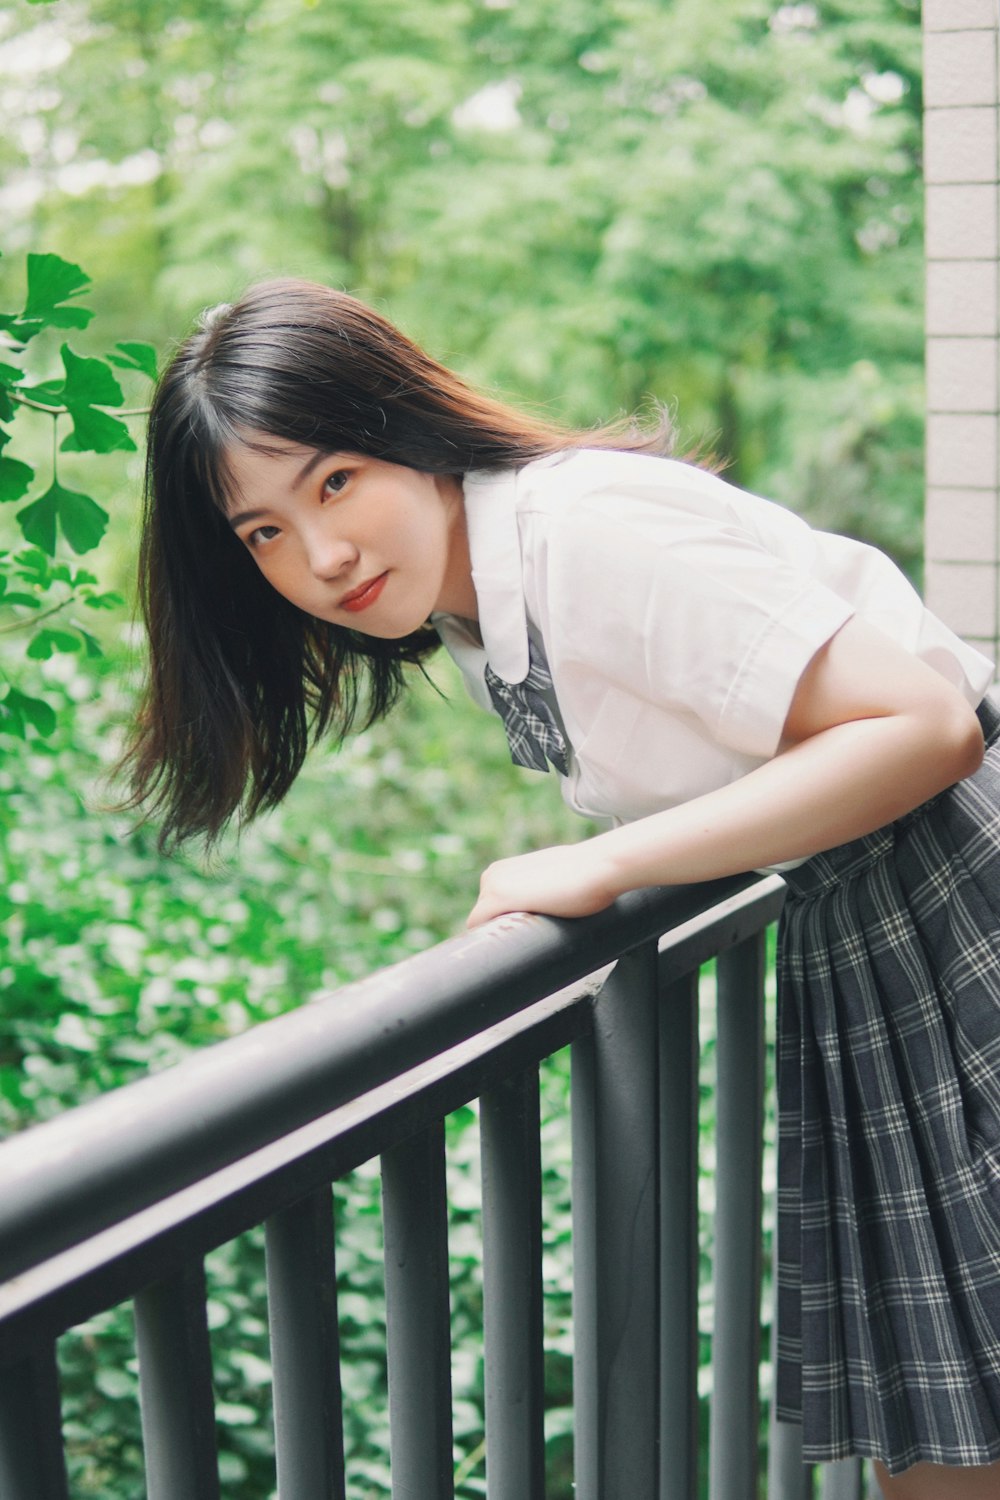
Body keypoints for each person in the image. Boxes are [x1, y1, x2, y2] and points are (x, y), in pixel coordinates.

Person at [124, 277, 1000, 1500]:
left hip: (955, 884)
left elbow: (930, 724)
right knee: (944, 1436)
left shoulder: (581, 533)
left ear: (407, 430)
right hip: (866, 922)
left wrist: (605, 864)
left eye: (333, 481)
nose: (320, 556)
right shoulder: (481, 613)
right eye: (261, 532)